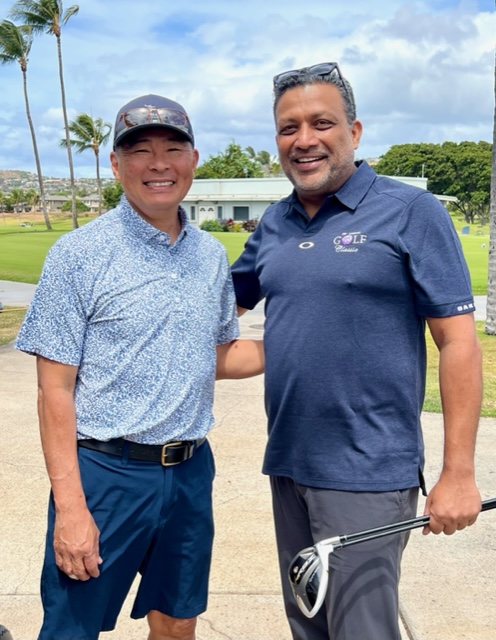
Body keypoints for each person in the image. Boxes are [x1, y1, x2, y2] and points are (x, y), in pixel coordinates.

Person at [231, 62, 483, 640]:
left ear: (355, 131)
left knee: (361, 631)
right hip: (288, 463)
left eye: (321, 123)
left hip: (368, 471)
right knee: (309, 626)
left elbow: (458, 342)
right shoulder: (274, 222)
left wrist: (458, 473)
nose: (304, 140)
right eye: (288, 128)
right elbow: (218, 309)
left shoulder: (411, 211)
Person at [16, 94, 263, 640]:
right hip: (106, 475)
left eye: (173, 149)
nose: (158, 164)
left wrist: (305, 344)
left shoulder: (209, 256)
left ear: (193, 159)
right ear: (116, 164)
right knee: (71, 630)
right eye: (140, 151)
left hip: (190, 471)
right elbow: (54, 391)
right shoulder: (78, 255)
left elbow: (215, 354)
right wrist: (71, 508)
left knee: (177, 621)